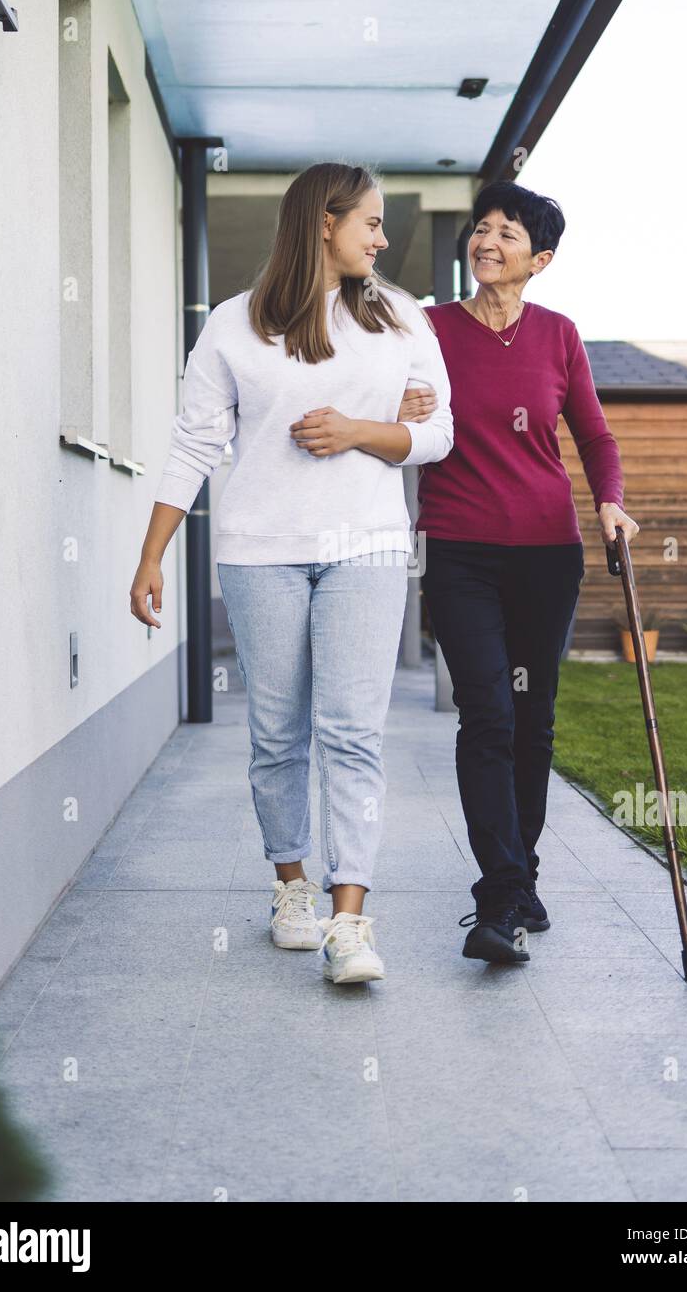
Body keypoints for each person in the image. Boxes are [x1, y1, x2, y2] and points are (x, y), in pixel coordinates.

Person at [129, 163, 453, 984]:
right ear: (321, 223)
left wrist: (361, 431)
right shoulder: (235, 325)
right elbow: (195, 443)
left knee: (350, 732)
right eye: (370, 223)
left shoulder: (401, 318)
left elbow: (439, 432)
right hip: (259, 551)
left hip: (370, 547)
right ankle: (292, 890)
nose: (381, 239)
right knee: (278, 736)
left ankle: (350, 921)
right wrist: (151, 554)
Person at [414, 181, 639, 965]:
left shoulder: (558, 335)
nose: (487, 241)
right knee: (487, 715)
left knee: (532, 720)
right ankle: (501, 894)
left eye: (507, 233)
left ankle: (521, 873)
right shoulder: (429, 327)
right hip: (459, 550)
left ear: (538, 260)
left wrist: (610, 502)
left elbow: (595, 439)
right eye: (481, 229)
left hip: (547, 551)